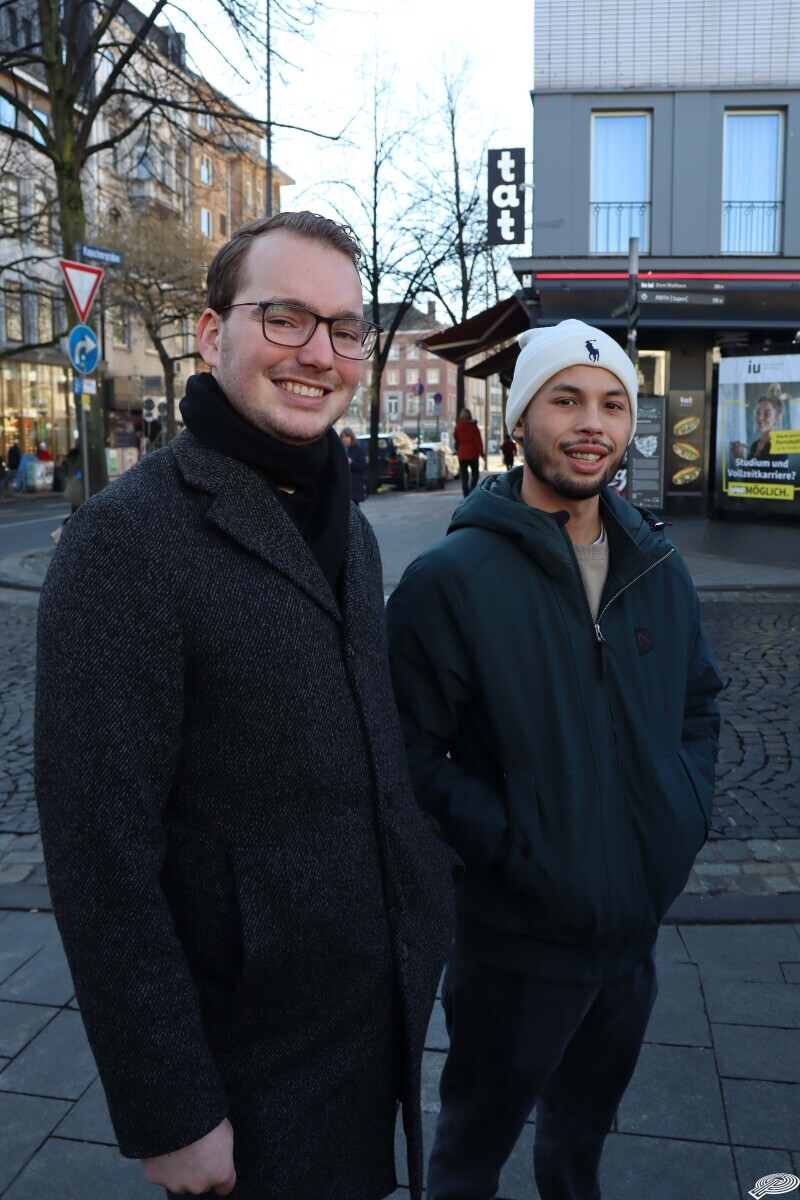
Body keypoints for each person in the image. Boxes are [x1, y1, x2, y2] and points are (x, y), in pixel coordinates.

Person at [35, 211, 457, 1200]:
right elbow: (100, 857)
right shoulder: (123, 543)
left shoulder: (345, 523)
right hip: (246, 1066)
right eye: (285, 318)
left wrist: (422, 879)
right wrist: (170, 1109)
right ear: (209, 331)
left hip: (367, 1024)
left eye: (343, 329)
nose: (319, 353)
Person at [387, 318, 722, 1200]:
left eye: (613, 404)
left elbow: (698, 703)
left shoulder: (658, 567)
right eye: (565, 399)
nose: (591, 424)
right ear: (519, 420)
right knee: (468, 1159)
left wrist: (681, 812)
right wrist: (518, 846)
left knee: (578, 1153)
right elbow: (406, 754)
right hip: (514, 954)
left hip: (630, 948)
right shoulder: (450, 580)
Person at [731, 392, 785, 461]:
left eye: (767, 414)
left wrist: (740, 458)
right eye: (758, 412)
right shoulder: (755, 445)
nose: (760, 418)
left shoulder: (779, 448)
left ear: (777, 419)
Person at [453, 407, 485, 497]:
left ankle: (466, 496)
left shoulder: (458, 426)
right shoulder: (474, 427)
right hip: (472, 453)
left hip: (462, 453)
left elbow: (455, 437)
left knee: (464, 477)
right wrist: (482, 454)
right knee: (475, 475)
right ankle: (471, 493)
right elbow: (478, 441)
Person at [340, 425, 367, 504]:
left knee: (354, 508)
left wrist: (351, 462)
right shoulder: (340, 450)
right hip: (343, 486)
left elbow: (362, 466)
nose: (344, 439)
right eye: (342, 437)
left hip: (354, 486)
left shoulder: (358, 450)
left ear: (351, 437)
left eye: (347, 436)